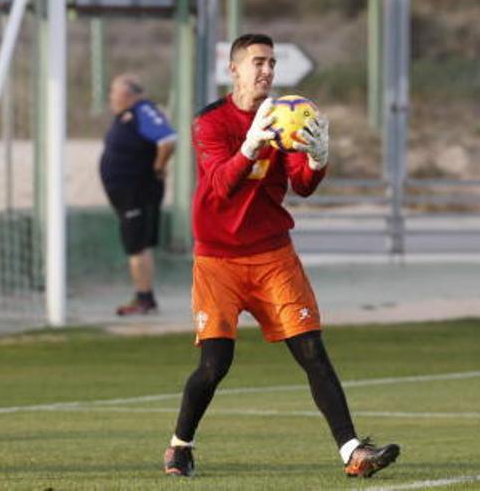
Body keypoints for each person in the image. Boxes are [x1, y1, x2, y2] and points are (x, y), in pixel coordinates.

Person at [162, 34, 400, 478]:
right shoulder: (210, 122)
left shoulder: (287, 117)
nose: (267, 70)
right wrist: (250, 146)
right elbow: (218, 186)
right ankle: (180, 445)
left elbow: (303, 186)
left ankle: (353, 453)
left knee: (312, 351)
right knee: (215, 364)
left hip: (273, 255)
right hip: (218, 260)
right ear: (233, 69)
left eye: (271, 62)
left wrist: (318, 158)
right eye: (257, 62)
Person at [99, 73, 176, 316]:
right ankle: (146, 296)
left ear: (129, 94)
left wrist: (159, 167)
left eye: (114, 91)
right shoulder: (126, 116)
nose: (111, 96)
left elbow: (168, 139)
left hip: (137, 191)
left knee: (136, 247)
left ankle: (144, 299)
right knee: (138, 246)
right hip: (126, 192)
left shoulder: (144, 111)